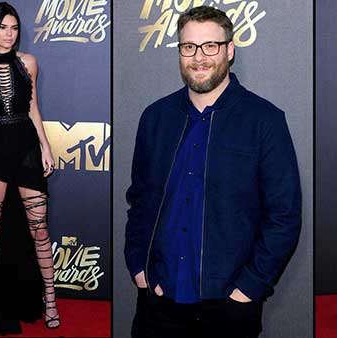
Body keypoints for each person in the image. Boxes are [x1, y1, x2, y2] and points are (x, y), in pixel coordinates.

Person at [124, 5, 301, 338]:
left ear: (229, 50)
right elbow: (140, 200)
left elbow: (284, 216)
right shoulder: (155, 118)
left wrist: (248, 288)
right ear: (180, 51)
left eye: (210, 46)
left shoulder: (264, 120)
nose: (199, 57)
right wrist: (138, 267)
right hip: (158, 304)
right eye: (189, 47)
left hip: (229, 308)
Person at [0, 2, 60, 334]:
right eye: (4, 27)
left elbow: (33, 107)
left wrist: (46, 146)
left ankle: (50, 302)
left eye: (15, 28)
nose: (10, 34)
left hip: (27, 148)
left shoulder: (28, 63)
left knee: (40, 229)